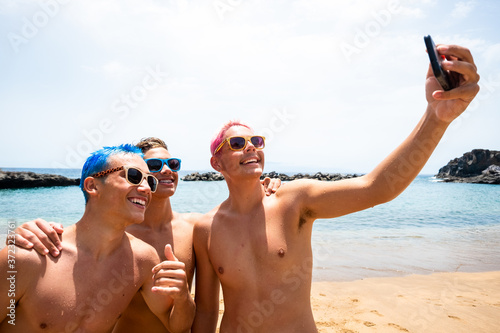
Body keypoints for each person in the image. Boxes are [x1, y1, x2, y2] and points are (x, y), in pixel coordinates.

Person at [191, 43, 480, 332]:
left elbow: (376, 187)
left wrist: (436, 118)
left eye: (257, 142)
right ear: (217, 164)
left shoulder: (295, 201)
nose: (251, 148)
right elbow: (205, 311)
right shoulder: (206, 230)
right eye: (238, 144)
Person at [10, 138, 281, 332]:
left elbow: (200, 311)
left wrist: (265, 192)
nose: (164, 171)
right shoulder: (115, 231)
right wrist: (22, 235)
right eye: (148, 168)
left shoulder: (184, 235)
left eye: (173, 163)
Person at [0, 144, 195, 332]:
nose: (146, 189)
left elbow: (176, 325)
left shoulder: (141, 260)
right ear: (92, 186)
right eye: (133, 176)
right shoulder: (26, 257)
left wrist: (182, 296)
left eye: (149, 181)